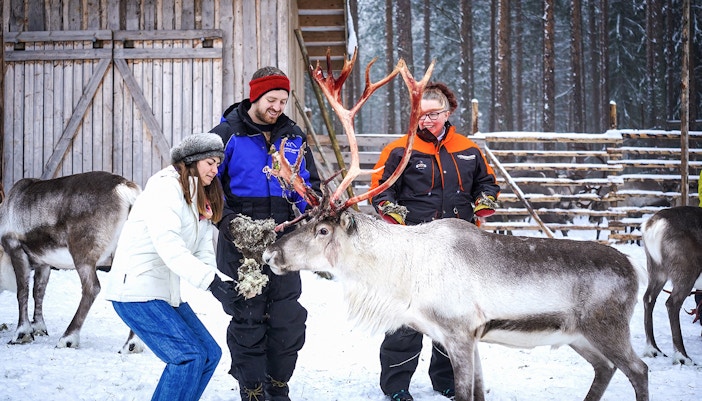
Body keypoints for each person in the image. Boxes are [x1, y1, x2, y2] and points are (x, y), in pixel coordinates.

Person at [370, 82, 501, 401]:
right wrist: (391, 211)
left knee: (453, 317)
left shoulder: (469, 149)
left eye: (433, 114)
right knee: (406, 318)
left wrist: (485, 199)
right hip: (412, 249)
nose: (425, 120)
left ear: (448, 113)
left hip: (459, 250)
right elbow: (380, 189)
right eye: (420, 114)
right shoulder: (399, 149)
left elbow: (487, 182)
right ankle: (396, 384)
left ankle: (446, 379)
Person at [210, 66, 321, 401]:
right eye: (271, 99)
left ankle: (277, 384)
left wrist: (310, 211)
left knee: (287, 317)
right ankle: (253, 388)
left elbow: (310, 184)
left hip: (286, 236)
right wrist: (229, 223)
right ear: (255, 97)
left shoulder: (295, 136)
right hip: (241, 236)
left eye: (283, 100)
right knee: (249, 317)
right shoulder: (227, 134)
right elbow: (209, 187)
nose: (277, 106)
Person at [104, 132, 239, 401]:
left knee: (209, 354)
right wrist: (210, 282)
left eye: (218, 163)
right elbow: (170, 247)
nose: (216, 169)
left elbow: (201, 249)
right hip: (136, 292)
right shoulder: (165, 190)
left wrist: (220, 284)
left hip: (163, 292)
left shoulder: (198, 194)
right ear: (192, 160)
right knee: (188, 357)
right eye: (210, 162)